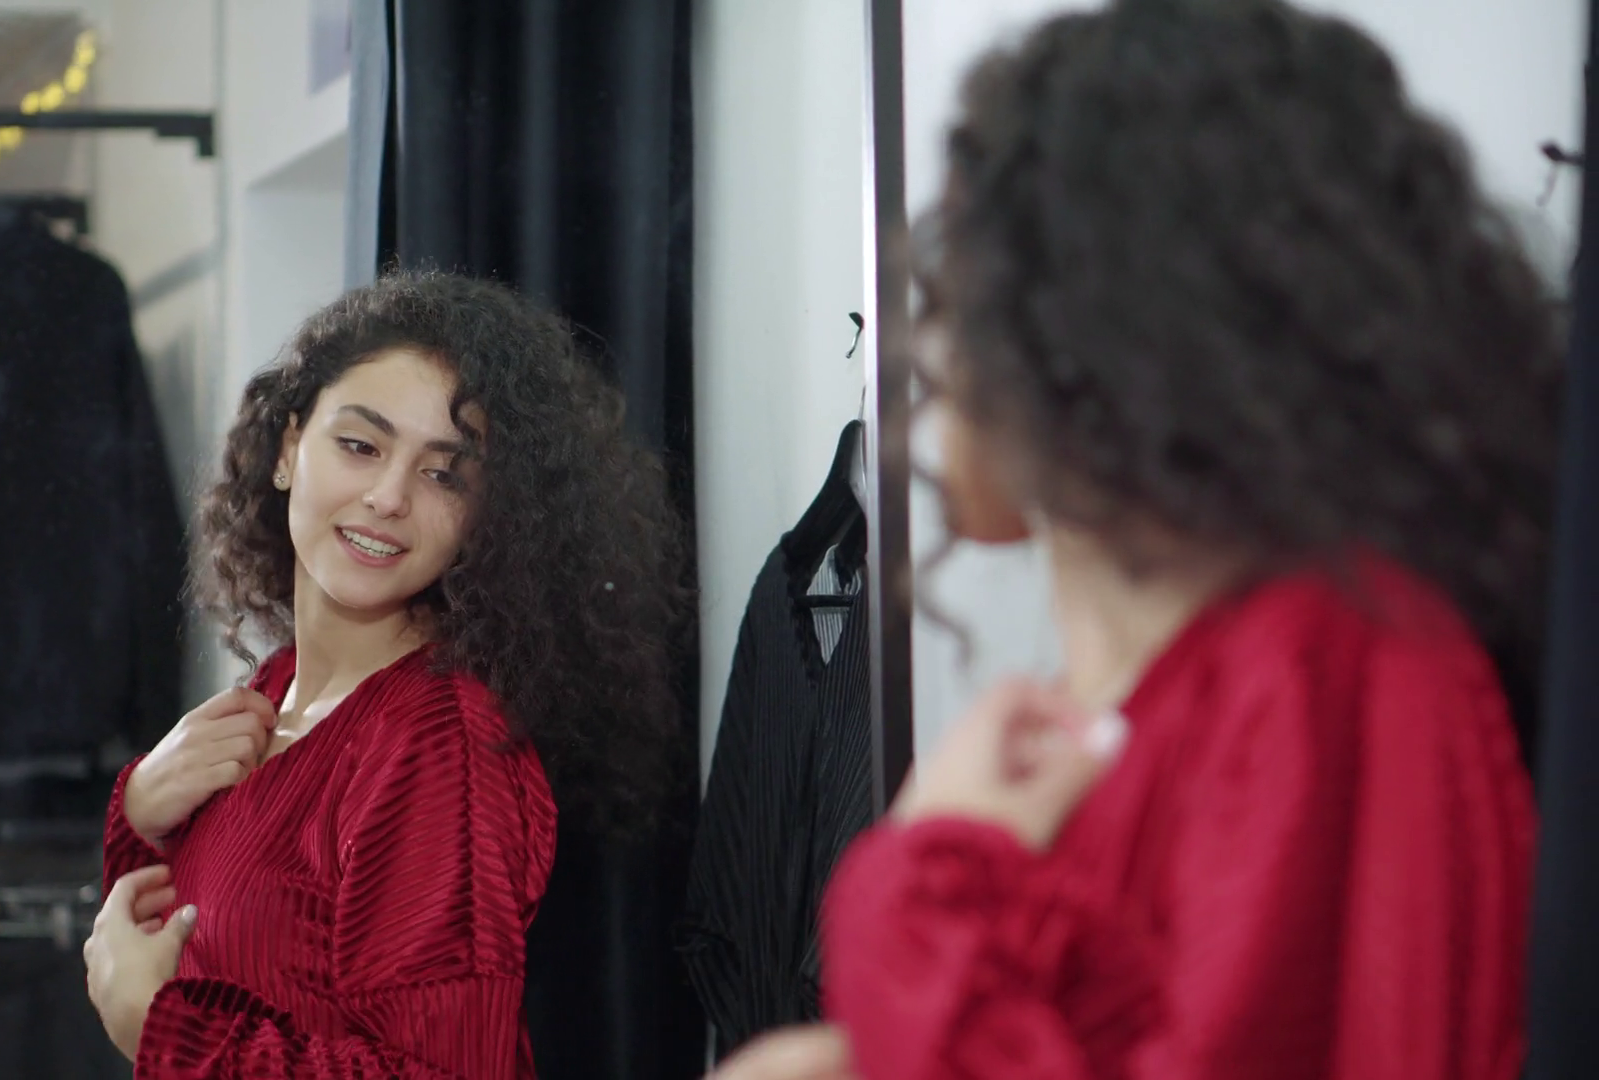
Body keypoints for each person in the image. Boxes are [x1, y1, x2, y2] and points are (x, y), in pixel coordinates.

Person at [719, 0, 1558, 1076]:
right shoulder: (1199, 689)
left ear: (1102, 321)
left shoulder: (1324, 658)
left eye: (962, 270)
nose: (932, 334)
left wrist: (916, 895)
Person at [81, 272, 689, 1077]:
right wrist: (140, 814)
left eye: (444, 474)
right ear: (289, 448)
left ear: (485, 516)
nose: (389, 496)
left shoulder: (438, 745)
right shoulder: (270, 695)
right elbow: (163, 956)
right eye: (361, 446)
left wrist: (166, 1033)